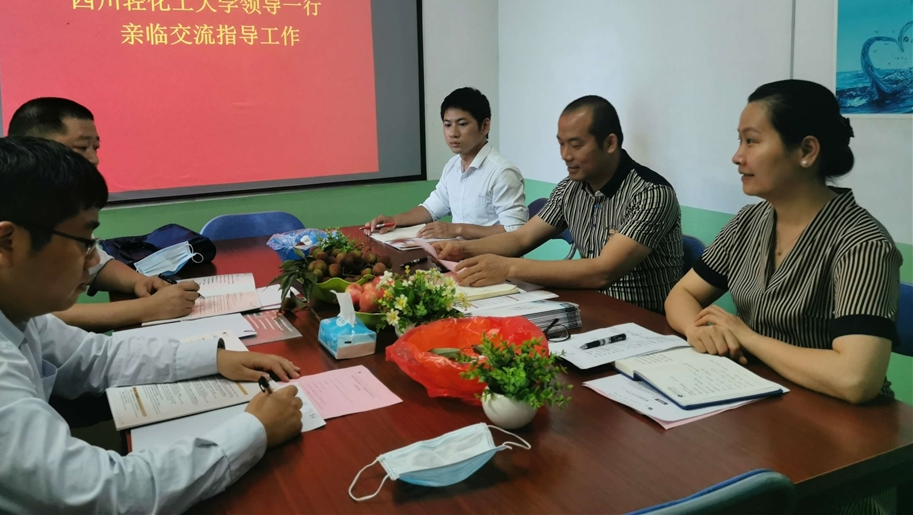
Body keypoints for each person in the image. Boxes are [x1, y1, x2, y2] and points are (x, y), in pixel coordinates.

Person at [0, 137, 304, 514]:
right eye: (83, 242)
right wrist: (254, 431)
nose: (94, 262)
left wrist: (213, 358)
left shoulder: (6, 307)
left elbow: (97, 357)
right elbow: (109, 496)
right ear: (6, 243)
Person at [665, 80, 900, 403]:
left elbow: (856, 379)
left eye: (751, 141)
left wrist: (747, 338)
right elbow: (682, 294)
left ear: (806, 151)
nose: (737, 156)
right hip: (756, 394)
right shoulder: (748, 222)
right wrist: (698, 331)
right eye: (740, 141)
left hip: (837, 417)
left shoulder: (862, 243)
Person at [436, 95, 683, 314]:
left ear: (610, 143)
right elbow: (521, 239)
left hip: (644, 321)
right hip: (590, 306)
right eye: (561, 144)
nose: (565, 155)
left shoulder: (651, 194)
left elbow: (602, 272)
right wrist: (461, 249)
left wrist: (509, 267)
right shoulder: (570, 188)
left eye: (576, 145)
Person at [8, 97, 198, 330]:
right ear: (34, 148)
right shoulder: (2, 212)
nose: (94, 159)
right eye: (81, 148)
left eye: (95, 147)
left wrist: (140, 282)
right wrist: (148, 309)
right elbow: (35, 318)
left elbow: (94, 262)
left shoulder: (61, 200)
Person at [365, 87, 528, 239]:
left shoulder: (501, 172)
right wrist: (394, 220)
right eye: (447, 125)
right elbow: (430, 209)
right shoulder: (452, 166)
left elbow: (516, 232)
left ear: (485, 126)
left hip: (492, 258)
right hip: (458, 254)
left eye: (462, 124)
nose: (453, 133)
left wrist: (457, 229)